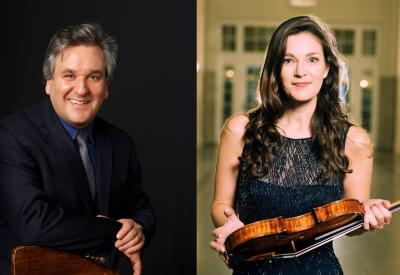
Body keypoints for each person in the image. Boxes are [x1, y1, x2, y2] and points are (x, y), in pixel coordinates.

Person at [210, 15, 392, 275]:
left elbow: (352, 222)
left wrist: (369, 218)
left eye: (312, 59)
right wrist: (232, 228)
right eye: (288, 60)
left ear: (327, 68)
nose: (300, 72)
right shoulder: (240, 130)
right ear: (275, 68)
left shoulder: (354, 142)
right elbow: (219, 204)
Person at [0, 23, 155, 275]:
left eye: (94, 76)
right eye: (69, 75)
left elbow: (143, 210)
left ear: (106, 88)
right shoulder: (12, 136)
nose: (81, 90)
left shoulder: (120, 142)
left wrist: (137, 230)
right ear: (49, 82)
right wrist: (116, 232)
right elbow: (34, 225)